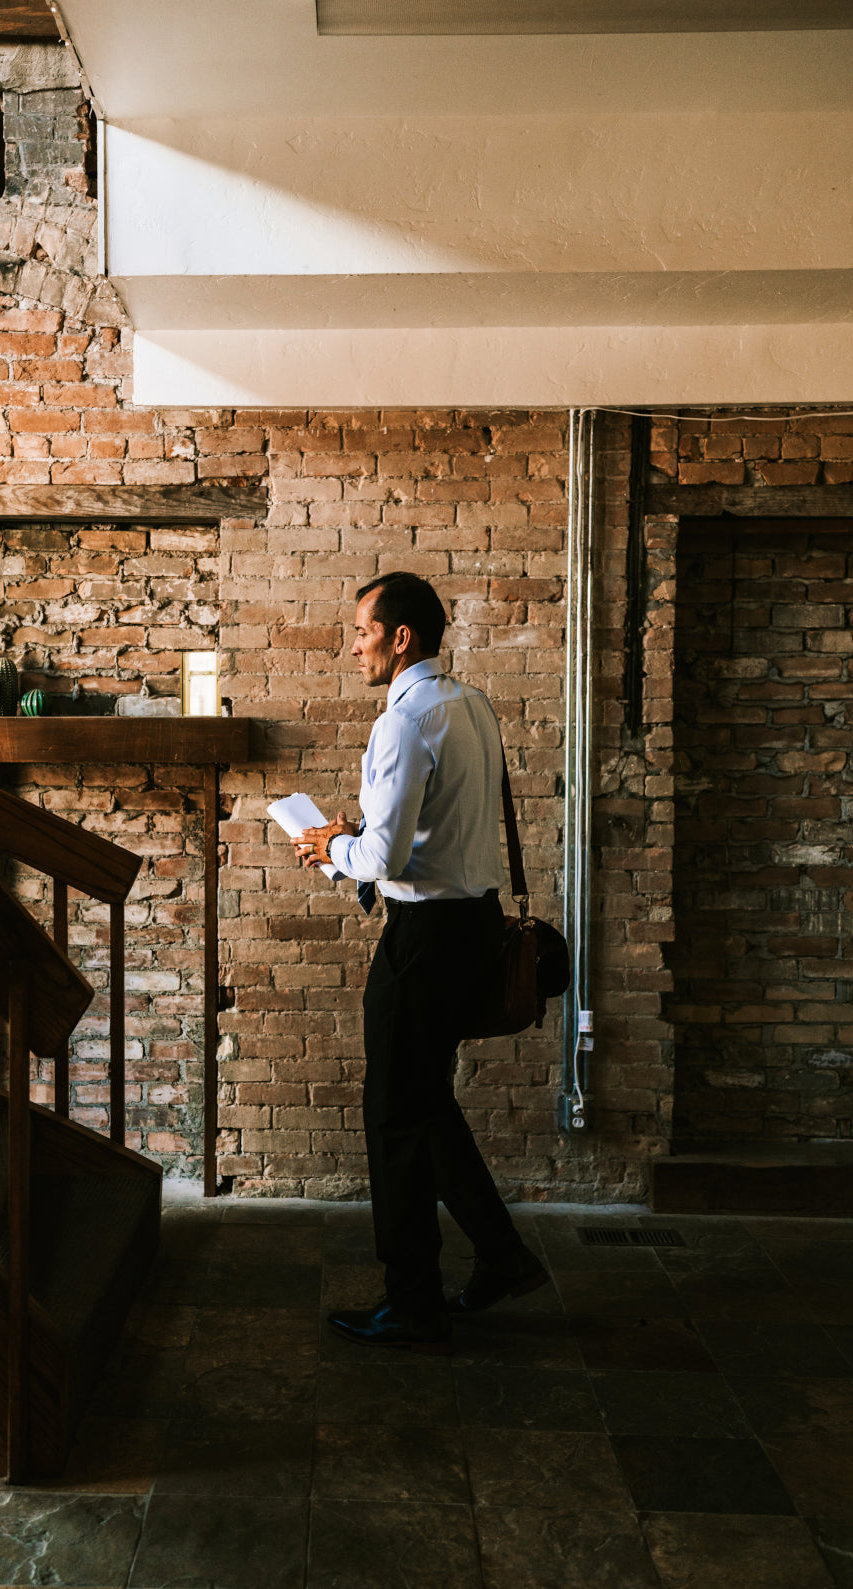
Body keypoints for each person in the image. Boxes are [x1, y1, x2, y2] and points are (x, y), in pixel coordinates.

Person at [291, 572, 548, 1353]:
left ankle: (412, 1300)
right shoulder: (471, 705)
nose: (354, 645)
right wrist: (359, 830)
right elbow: (436, 825)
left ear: (401, 637)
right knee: (424, 1102)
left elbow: (384, 856)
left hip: (423, 942)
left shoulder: (402, 723)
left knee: (395, 1117)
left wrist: (329, 844)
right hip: (472, 926)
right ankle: (502, 1257)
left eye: (362, 631)